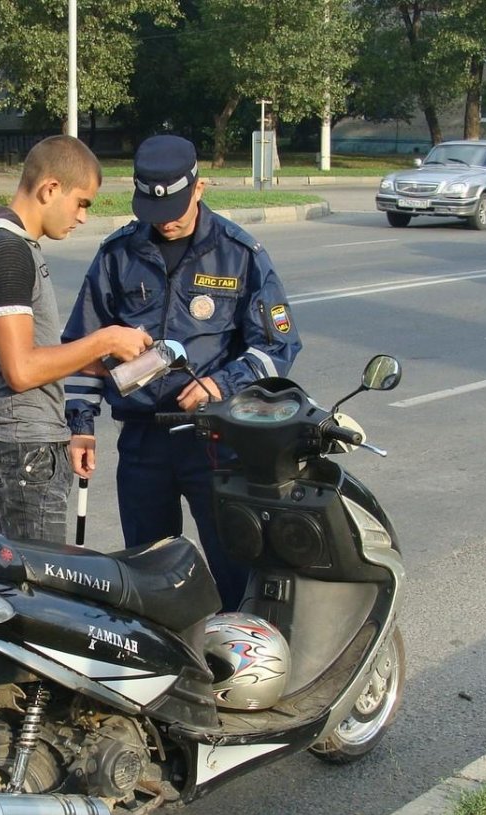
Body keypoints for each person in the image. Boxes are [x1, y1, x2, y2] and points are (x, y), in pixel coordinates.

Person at [62, 134, 302, 610]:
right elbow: (84, 347)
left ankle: (241, 665)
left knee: (235, 565)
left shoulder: (239, 254)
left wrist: (219, 384)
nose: (166, 221)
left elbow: (278, 345)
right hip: (143, 442)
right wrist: (81, 427)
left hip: (214, 440)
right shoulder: (118, 254)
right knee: (148, 574)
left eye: (175, 205)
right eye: (154, 210)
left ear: (200, 188)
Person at [0, 135, 151, 543]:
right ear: (50, 189)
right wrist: (102, 341)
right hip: (21, 454)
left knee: (25, 595)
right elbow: (21, 369)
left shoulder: (3, 240)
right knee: (38, 601)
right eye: (82, 202)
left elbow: (26, 355)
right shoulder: (5, 250)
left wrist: (91, 363)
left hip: (23, 451)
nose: (82, 217)